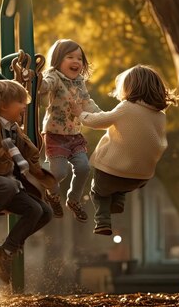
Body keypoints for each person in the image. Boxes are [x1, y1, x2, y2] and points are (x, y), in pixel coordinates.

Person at [0, 80, 57, 284]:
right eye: (20, 102)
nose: (24, 107)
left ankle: (5, 252)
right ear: (4, 105)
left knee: (41, 211)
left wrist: (38, 168)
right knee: (9, 185)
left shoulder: (14, 128)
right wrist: (3, 151)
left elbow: (28, 150)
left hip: (7, 182)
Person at [70, 64, 179, 235]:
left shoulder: (127, 107)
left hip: (112, 172)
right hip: (140, 178)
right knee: (120, 184)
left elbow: (100, 121)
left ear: (130, 88)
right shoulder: (160, 115)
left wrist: (80, 113)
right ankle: (119, 201)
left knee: (98, 192)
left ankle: (102, 222)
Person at [39, 39, 101, 223]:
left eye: (79, 58)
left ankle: (73, 200)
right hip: (55, 136)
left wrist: (102, 116)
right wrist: (35, 78)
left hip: (75, 136)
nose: (76, 61)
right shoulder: (54, 76)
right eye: (70, 57)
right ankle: (52, 194)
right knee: (59, 172)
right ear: (58, 60)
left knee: (84, 167)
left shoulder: (80, 82)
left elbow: (87, 102)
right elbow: (44, 86)